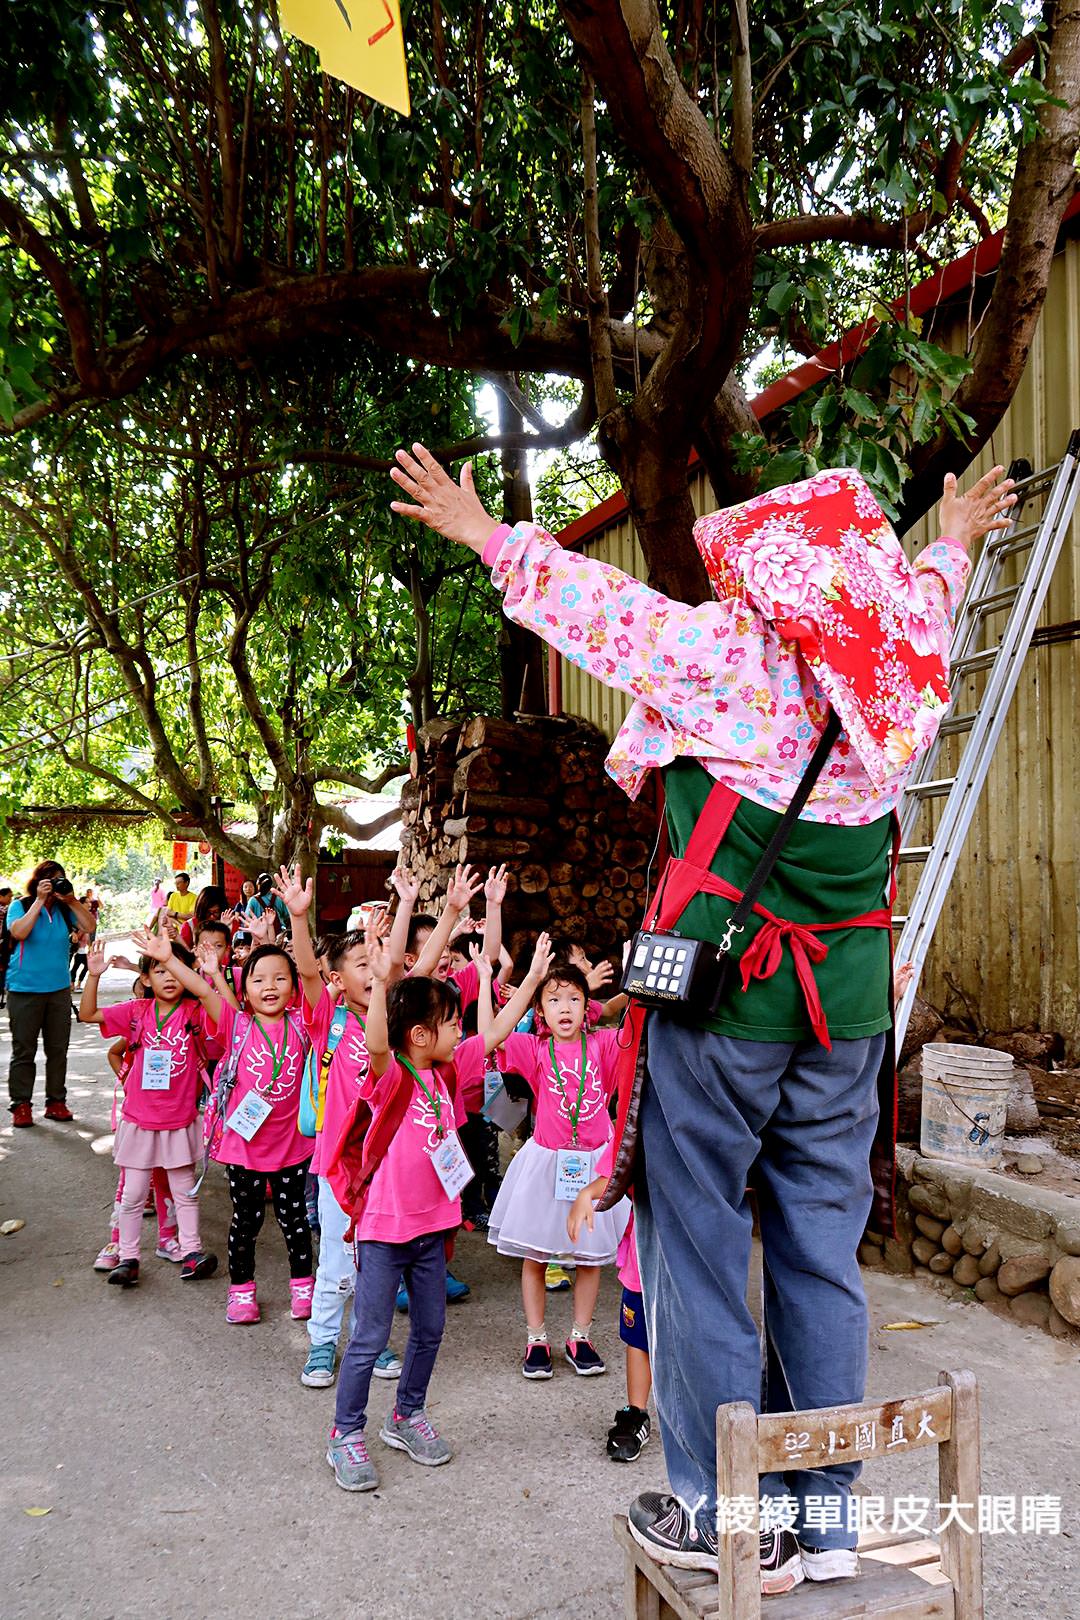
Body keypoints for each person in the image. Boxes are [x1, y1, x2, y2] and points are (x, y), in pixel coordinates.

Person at [388, 442, 1015, 1592]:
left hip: (729, 1007)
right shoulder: (906, 669)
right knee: (823, 1249)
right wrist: (960, 537)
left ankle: (731, 1519)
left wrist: (488, 536)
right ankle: (824, 1521)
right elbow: (929, 590)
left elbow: (605, 610)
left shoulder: (734, 660)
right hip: (850, 1015)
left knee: (696, 1245)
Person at [323, 930, 553, 1492]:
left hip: (434, 1230)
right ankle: (345, 1433)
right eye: (452, 1022)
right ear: (421, 1033)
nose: (461, 1030)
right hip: (382, 1232)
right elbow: (378, 1042)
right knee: (369, 1338)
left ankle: (406, 1414)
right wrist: (380, 985)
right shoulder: (391, 1074)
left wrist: (531, 979)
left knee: (430, 1330)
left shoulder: (449, 1070)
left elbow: (495, 1030)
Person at [482, 957, 629, 1379]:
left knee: (589, 1256)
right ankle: (536, 1339)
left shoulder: (602, 1044)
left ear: (588, 1008)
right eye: (555, 1000)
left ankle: (580, 1336)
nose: (565, 1007)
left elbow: (634, 1030)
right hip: (547, 1164)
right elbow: (496, 1031)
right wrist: (515, 982)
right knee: (536, 1253)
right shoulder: (532, 1048)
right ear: (541, 1011)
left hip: (594, 1164)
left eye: (574, 999)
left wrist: (635, 978)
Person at [79, 937, 219, 1288]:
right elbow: (87, 1014)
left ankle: (191, 1252)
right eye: (159, 969)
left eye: (175, 969)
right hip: (140, 1121)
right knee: (133, 1195)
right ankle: (128, 1258)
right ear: (146, 978)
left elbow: (220, 1011)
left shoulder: (196, 1013)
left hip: (179, 1120)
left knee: (184, 1192)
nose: (169, 977)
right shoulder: (137, 1011)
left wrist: (197, 973)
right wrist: (93, 976)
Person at [201, 922, 315, 1325]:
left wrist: (285, 930)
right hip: (243, 1146)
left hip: (292, 1145)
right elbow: (202, 992)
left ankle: (304, 1288)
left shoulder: (305, 1026)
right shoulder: (237, 1025)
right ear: (243, 990)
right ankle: (241, 1291)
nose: (270, 986)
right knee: (245, 1221)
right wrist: (194, 967)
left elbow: (316, 976)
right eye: (259, 979)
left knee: (295, 1219)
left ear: (294, 987)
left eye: (280, 978)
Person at [568, 1140, 652, 1463]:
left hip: (695, 1242)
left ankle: (707, 1413)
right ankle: (636, 1413)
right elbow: (621, 1162)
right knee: (638, 1338)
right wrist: (586, 1194)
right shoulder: (643, 1104)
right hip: (645, 1243)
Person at [6, 861, 98, 1126]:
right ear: (37, 881)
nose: (54, 883)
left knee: (58, 1049)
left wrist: (69, 900)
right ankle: (21, 1105)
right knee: (24, 1050)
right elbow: (19, 932)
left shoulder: (64, 910)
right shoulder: (20, 905)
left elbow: (89, 926)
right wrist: (39, 900)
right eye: (49, 879)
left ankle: (56, 1101)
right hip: (24, 989)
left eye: (60, 879)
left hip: (58, 990)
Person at [245, 871, 291, 937]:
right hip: (279, 933)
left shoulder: (253, 900)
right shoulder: (279, 898)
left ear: (258, 884)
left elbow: (247, 919)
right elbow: (287, 915)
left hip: (260, 934)